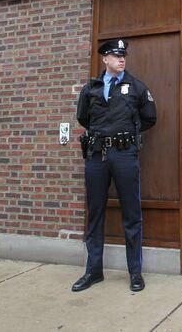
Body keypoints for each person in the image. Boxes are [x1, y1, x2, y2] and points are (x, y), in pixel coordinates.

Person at [72, 38, 157, 292]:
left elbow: (150, 118)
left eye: (123, 55)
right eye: (115, 55)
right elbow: (83, 117)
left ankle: (135, 273)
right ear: (105, 59)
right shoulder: (91, 89)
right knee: (95, 213)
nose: (121, 59)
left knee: (131, 213)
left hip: (124, 156)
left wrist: (125, 135)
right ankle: (93, 271)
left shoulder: (136, 87)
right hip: (97, 156)